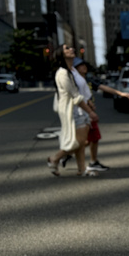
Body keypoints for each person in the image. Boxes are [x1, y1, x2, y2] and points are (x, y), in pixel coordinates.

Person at [60, 57, 129, 171]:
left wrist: (120, 93)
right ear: (75, 69)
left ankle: (72, 156)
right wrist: (89, 109)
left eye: (84, 64)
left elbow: (103, 87)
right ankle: (64, 155)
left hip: (87, 112)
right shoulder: (75, 83)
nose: (84, 67)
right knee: (88, 139)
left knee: (91, 139)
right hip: (82, 113)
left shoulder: (87, 81)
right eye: (80, 66)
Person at [47, 44, 99, 176]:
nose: (71, 49)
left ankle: (82, 169)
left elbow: (81, 91)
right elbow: (75, 97)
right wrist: (90, 112)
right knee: (80, 141)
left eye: (71, 48)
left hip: (80, 109)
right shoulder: (62, 73)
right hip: (72, 111)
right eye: (67, 48)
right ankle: (55, 159)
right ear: (61, 54)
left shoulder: (71, 71)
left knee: (81, 142)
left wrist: (88, 103)